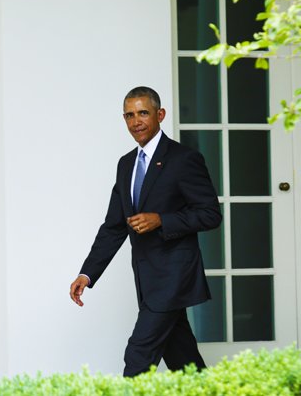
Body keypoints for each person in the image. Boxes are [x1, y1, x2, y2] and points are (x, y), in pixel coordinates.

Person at [69, 86, 222, 377]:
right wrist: (87, 274)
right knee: (185, 363)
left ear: (160, 115)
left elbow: (210, 214)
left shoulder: (183, 159)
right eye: (129, 115)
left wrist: (162, 220)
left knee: (138, 356)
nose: (135, 121)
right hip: (147, 278)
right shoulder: (126, 164)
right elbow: (114, 227)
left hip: (174, 277)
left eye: (143, 113)